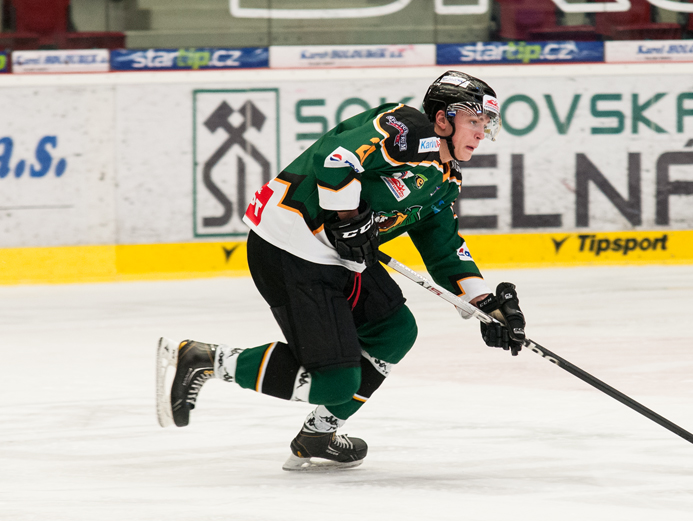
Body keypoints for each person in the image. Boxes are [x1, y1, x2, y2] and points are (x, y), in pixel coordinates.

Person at [156, 70, 527, 471]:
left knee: (394, 331)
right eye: (474, 121)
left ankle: (319, 433)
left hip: (338, 257)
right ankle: (202, 359)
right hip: (290, 244)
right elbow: (335, 159)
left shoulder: (444, 180)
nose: (481, 133)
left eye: (485, 124)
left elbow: (445, 250)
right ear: (442, 119)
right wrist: (348, 216)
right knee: (334, 383)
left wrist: (484, 304)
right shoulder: (405, 128)